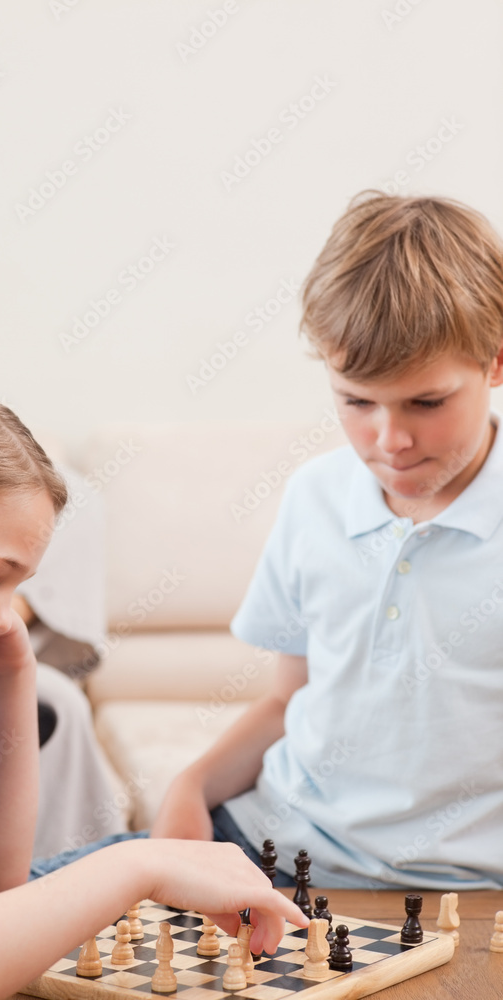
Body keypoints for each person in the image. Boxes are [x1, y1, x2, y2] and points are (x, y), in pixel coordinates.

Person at [0, 369, 306, 1000]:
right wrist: (141, 866)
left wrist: (12, 676)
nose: (6, 614)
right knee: (136, 856)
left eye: (17, 587)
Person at [151, 191, 503, 890]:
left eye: (425, 403)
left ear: (495, 363)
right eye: (355, 401)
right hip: (265, 846)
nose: (389, 439)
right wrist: (188, 787)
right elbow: (288, 702)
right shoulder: (315, 495)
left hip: (453, 896)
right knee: (1, 940)